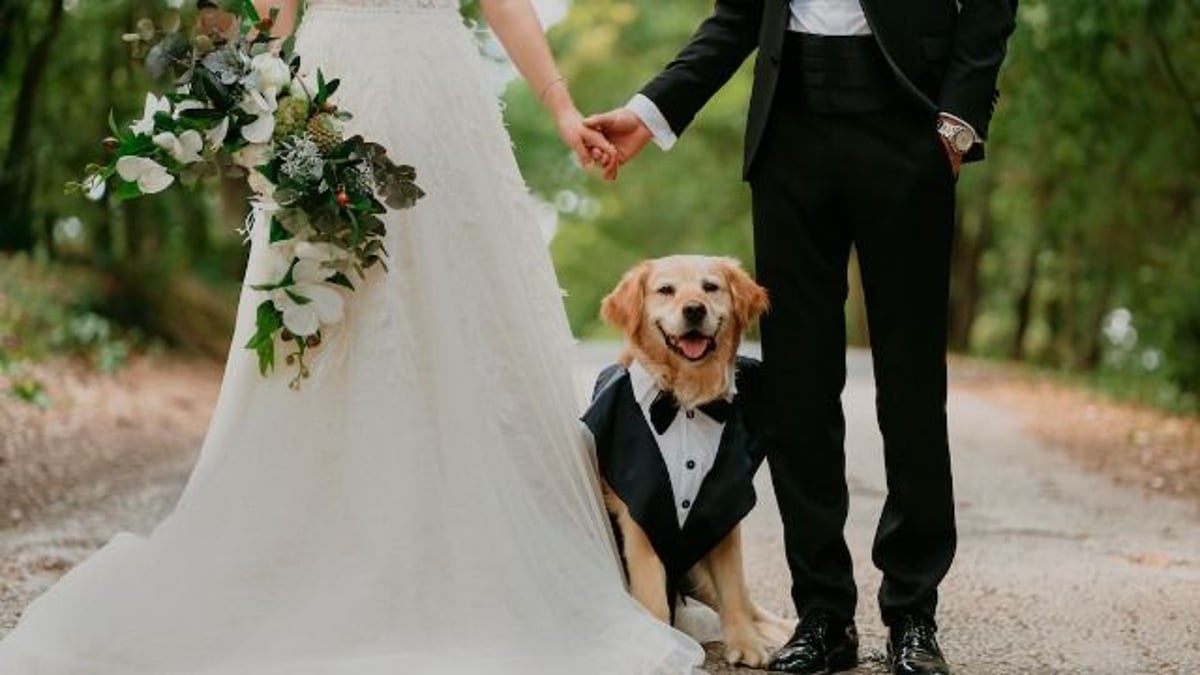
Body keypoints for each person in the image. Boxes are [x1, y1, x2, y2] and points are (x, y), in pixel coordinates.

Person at [0, 1, 705, 672]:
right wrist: (254, 118)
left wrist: (561, 107)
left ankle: (473, 551)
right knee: (333, 303)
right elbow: (270, 14)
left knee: (464, 306)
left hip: (444, 101)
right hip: (328, 102)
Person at [585, 1, 1016, 673]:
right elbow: (737, 18)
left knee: (910, 386)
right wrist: (649, 112)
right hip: (789, 131)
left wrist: (959, 117)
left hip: (908, 117)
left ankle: (912, 613)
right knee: (797, 389)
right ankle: (823, 614)